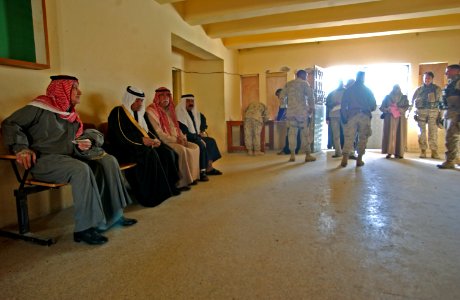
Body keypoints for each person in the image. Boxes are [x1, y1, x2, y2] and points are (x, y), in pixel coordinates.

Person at [2, 75, 136, 245]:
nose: (80, 92)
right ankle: (84, 229)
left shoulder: (70, 114)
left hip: (68, 157)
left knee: (108, 161)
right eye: (74, 88)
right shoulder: (38, 107)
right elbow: (10, 124)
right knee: (80, 169)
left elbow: (83, 135)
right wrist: (21, 148)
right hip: (44, 160)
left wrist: (88, 139)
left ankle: (115, 215)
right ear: (61, 89)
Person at [108, 86, 182, 207]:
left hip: (139, 145)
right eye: (137, 100)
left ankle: (168, 187)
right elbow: (121, 135)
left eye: (141, 100)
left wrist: (155, 140)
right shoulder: (118, 112)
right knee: (149, 154)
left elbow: (148, 131)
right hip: (124, 148)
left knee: (166, 151)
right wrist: (141, 141)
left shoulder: (140, 114)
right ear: (130, 99)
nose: (140, 103)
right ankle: (149, 195)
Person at [146, 87, 204, 183]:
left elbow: (177, 127)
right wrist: (176, 140)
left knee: (195, 147)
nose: (166, 98)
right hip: (166, 141)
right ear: (157, 97)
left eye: (168, 96)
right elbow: (159, 133)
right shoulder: (151, 111)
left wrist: (182, 137)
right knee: (181, 150)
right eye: (162, 96)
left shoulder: (169, 110)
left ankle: (192, 178)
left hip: (177, 139)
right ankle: (182, 182)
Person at [176, 94, 222, 176]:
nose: (190, 103)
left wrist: (202, 130)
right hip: (187, 138)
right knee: (201, 144)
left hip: (196, 136)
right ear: (183, 103)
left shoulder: (195, 113)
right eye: (188, 101)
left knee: (211, 141)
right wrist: (198, 138)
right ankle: (202, 171)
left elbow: (202, 119)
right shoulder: (180, 114)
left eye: (192, 101)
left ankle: (209, 167)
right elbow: (184, 132)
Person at [340, 71, 377, 167]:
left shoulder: (349, 90)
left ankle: (345, 159)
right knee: (363, 138)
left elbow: (343, 104)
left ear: (356, 77)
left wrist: (344, 116)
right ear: (363, 78)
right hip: (364, 116)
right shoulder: (367, 90)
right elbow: (373, 105)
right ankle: (359, 159)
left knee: (349, 137)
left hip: (352, 116)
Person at [280, 69, 316, 162]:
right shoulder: (305, 84)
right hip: (302, 113)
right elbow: (311, 96)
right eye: (306, 76)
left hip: (291, 113)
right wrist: (311, 108)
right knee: (305, 134)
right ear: (303, 75)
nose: (307, 78)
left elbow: (282, 96)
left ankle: (292, 155)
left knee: (292, 134)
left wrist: (285, 107)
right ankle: (308, 155)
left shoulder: (289, 84)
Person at [411, 71, 443, 158]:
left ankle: (434, 151)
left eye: (428, 78)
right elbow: (412, 101)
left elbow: (441, 103)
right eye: (425, 78)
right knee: (421, 132)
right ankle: (423, 150)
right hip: (421, 113)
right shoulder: (418, 90)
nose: (427, 80)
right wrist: (410, 112)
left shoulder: (437, 89)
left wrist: (441, 115)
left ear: (432, 79)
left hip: (433, 113)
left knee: (433, 132)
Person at [437, 64, 460, 169]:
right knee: (451, 138)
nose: (446, 73)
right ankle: (455, 159)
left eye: (449, 71)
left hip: (456, 113)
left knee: (452, 138)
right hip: (450, 112)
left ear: (457, 71)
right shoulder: (451, 84)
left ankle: (450, 161)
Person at [380, 84, 409, 159]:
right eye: (395, 88)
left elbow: (407, 106)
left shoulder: (404, 97)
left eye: (398, 88)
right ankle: (389, 152)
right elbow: (382, 107)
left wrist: (401, 109)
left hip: (400, 119)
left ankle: (399, 152)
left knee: (400, 135)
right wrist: (387, 109)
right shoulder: (387, 97)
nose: (396, 90)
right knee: (389, 135)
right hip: (389, 118)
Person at [276, 88, 301, 155]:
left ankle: (286, 150)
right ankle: (296, 150)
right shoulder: (292, 95)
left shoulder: (283, 97)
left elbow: (282, 109)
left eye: (278, 95)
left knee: (289, 134)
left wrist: (278, 119)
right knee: (297, 134)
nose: (278, 98)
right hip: (299, 117)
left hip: (292, 118)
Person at [325, 81, 345, 158]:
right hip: (333, 116)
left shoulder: (347, 92)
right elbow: (327, 104)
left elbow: (350, 103)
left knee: (347, 134)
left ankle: (348, 152)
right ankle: (338, 152)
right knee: (335, 135)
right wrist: (332, 104)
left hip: (344, 115)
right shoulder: (332, 93)